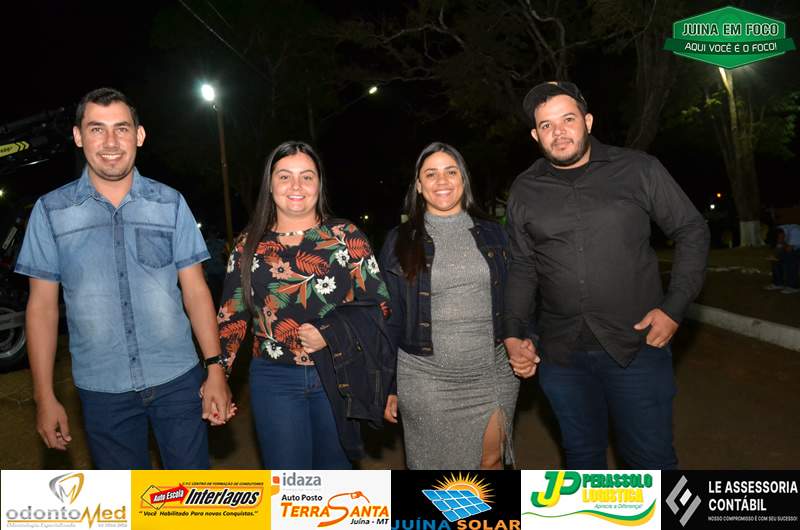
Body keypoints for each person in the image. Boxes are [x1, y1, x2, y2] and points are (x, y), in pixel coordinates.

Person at [15, 87, 233, 469]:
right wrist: (44, 396)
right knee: (124, 500)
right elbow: (42, 309)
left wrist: (215, 367)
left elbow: (195, 290)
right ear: (78, 136)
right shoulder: (50, 212)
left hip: (178, 380)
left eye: (122, 128)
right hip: (102, 391)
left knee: (192, 496)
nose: (111, 142)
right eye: (96, 129)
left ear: (139, 135)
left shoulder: (170, 203)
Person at [503, 81, 710, 470]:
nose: (558, 132)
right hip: (561, 356)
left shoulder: (639, 169)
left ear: (588, 121)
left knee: (651, 462)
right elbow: (522, 265)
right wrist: (513, 332)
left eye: (568, 119)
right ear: (535, 135)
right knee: (582, 462)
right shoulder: (525, 189)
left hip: (636, 348)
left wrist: (674, 306)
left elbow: (691, 230)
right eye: (546, 125)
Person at [217, 141, 391, 469]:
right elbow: (231, 316)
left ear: (319, 184)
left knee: (335, 481)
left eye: (306, 176)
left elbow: (380, 306)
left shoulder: (346, 236)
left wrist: (332, 333)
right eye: (284, 176)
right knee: (289, 483)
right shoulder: (248, 245)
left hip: (339, 374)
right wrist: (217, 374)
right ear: (270, 185)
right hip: (274, 378)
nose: (296, 186)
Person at [379, 142, 520, 470]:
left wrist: (527, 340)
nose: (442, 181)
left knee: (491, 461)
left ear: (463, 179)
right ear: (419, 185)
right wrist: (387, 384)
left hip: (492, 372)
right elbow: (388, 317)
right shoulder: (399, 240)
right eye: (431, 174)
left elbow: (517, 297)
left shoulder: (495, 234)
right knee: (436, 474)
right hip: (425, 378)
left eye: (450, 171)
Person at [764, 224, 800, 294]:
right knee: (775, 258)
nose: (780, 240)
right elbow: (779, 248)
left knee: (790, 257)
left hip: (797, 248)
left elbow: (788, 249)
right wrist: (774, 256)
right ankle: (778, 283)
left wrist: (778, 256)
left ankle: (793, 286)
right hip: (794, 248)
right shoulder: (777, 231)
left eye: (780, 238)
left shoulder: (795, 232)